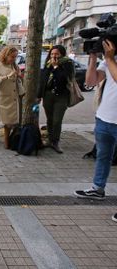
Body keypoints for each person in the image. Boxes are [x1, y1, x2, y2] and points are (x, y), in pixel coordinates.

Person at [74, 39, 117, 204]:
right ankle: (98, 188)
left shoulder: (110, 60)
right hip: (104, 118)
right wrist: (92, 58)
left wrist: (109, 57)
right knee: (103, 156)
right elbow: (91, 81)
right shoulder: (109, 61)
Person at [38, 45, 75, 153]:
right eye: (52, 54)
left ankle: (56, 141)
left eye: (57, 54)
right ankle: (50, 139)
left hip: (61, 96)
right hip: (48, 95)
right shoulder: (48, 63)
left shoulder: (67, 63)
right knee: (49, 119)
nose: (54, 56)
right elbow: (43, 80)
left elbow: (63, 79)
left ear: (62, 54)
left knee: (57, 120)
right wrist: (39, 95)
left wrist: (55, 68)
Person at [0, 46, 21, 149]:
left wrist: (19, 76)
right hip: (0, 97)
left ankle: (6, 139)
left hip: (11, 97)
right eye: (12, 57)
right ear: (6, 55)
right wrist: (6, 77)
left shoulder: (14, 65)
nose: (14, 59)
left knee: (9, 121)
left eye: (15, 57)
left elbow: (17, 80)